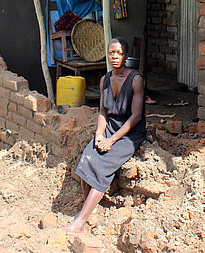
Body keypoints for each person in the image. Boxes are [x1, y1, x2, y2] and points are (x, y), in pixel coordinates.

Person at [60, 37, 146, 233]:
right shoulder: (104, 80)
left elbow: (136, 116)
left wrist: (112, 140)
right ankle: (87, 208)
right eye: (111, 53)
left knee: (101, 167)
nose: (115, 57)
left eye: (119, 53)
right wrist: (99, 135)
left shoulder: (135, 79)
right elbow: (103, 112)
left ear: (126, 56)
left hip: (129, 134)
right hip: (109, 128)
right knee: (86, 159)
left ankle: (79, 223)